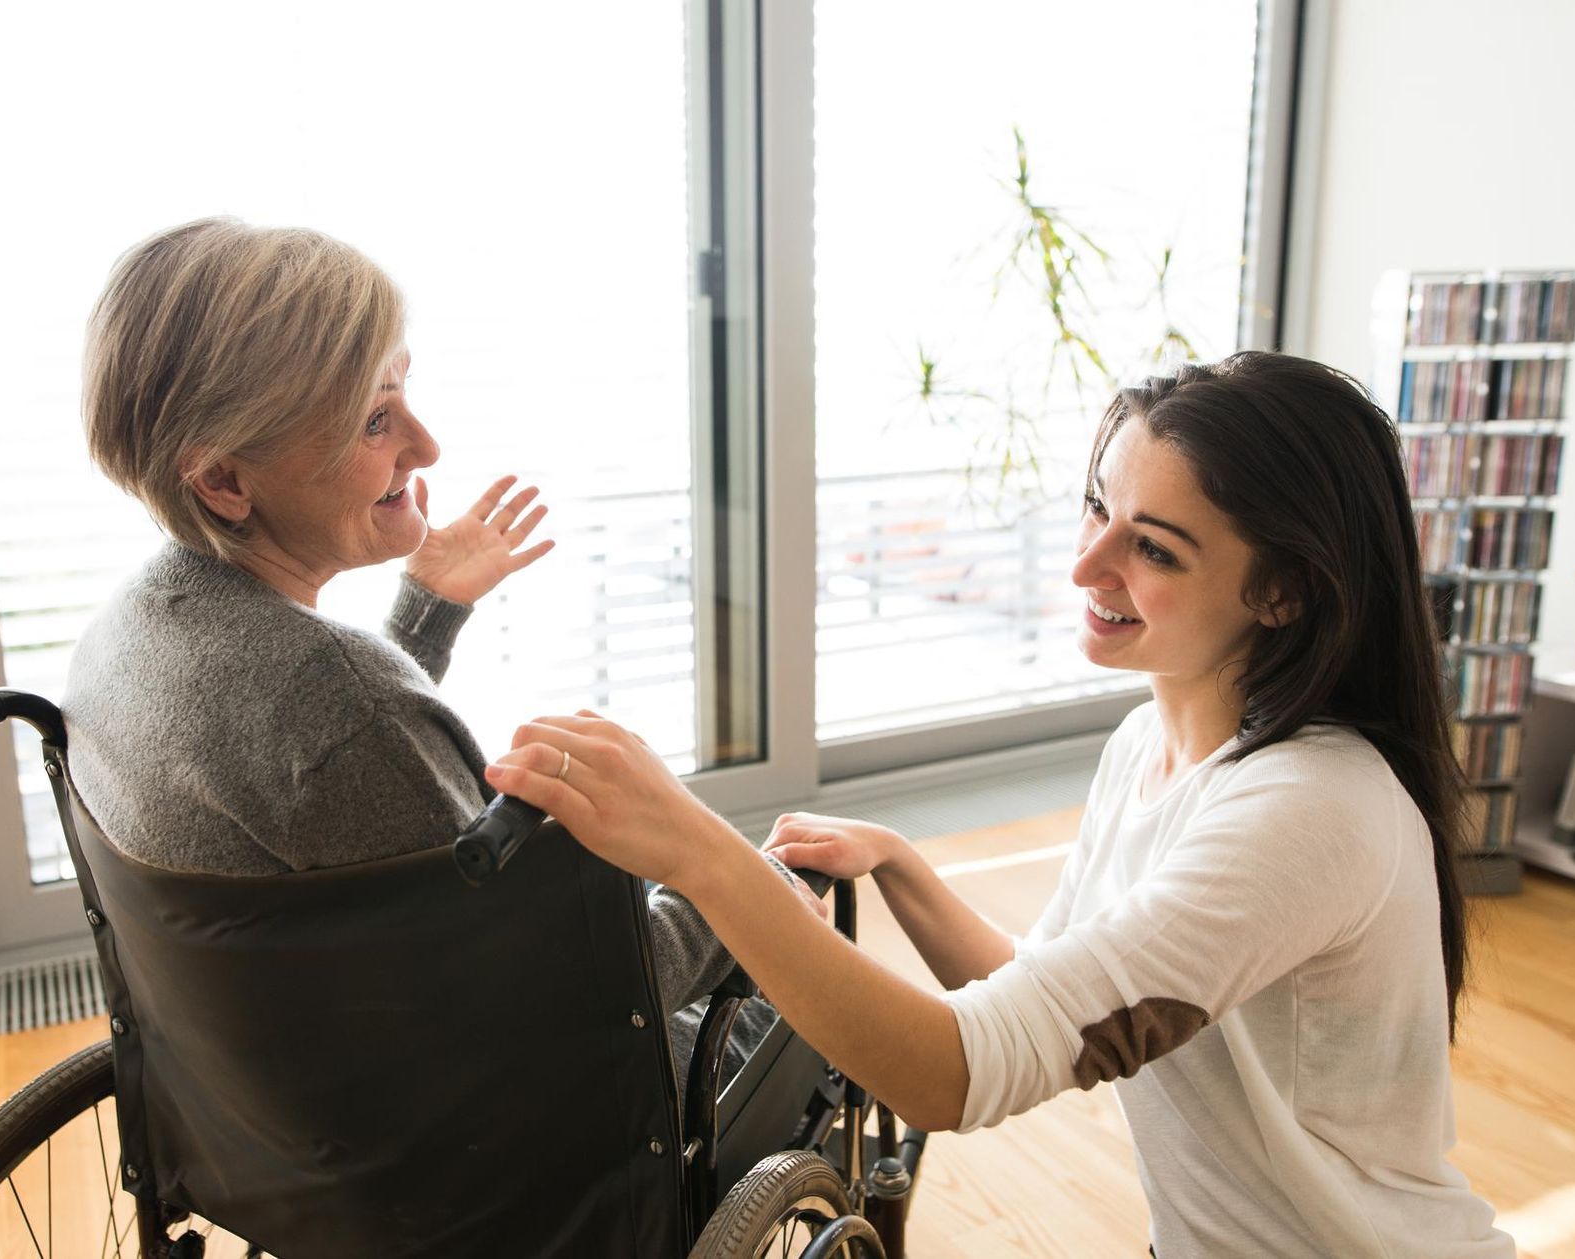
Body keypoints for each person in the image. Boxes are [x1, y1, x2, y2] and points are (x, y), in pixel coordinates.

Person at [490, 352, 1517, 1257]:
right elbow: (1049, 997)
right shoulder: (1147, 745)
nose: (1086, 564)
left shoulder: (1311, 807)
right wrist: (901, 862)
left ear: (1283, 591)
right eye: (1095, 506)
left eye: (1153, 548)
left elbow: (956, 1072)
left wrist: (698, 851)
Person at [63, 217, 807, 1087]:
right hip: (492, 1125)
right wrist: (739, 882)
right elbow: (571, 987)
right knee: (807, 964)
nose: (425, 447)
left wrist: (425, 614)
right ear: (225, 480)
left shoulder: (126, 636)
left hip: (281, 1095)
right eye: (375, 420)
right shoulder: (338, 705)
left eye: (402, 392)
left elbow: (318, 788)